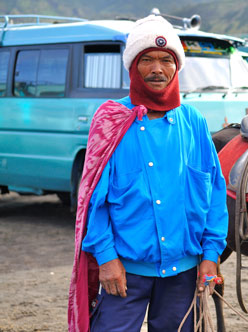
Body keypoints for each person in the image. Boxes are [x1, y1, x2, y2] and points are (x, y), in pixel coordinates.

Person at [68, 15, 228, 332]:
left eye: (166, 60)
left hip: (183, 274)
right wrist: (106, 258)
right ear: (133, 66)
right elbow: (92, 203)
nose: (158, 69)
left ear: (177, 66)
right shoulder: (110, 121)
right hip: (124, 271)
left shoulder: (193, 122)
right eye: (148, 60)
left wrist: (210, 257)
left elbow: (214, 194)